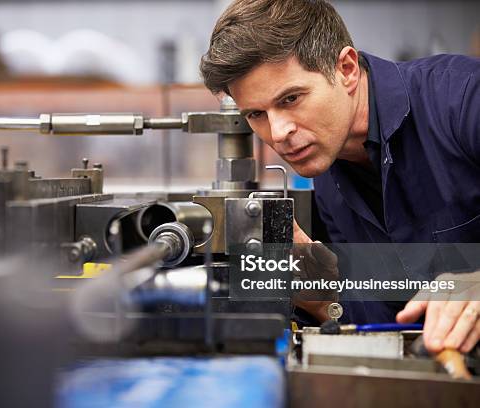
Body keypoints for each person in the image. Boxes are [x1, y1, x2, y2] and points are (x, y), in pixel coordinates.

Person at [200, 0, 479, 353]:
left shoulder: (464, 100)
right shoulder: (327, 177)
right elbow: (392, 320)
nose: (278, 132)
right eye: (256, 113)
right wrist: (324, 297)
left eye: (290, 98)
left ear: (346, 69)